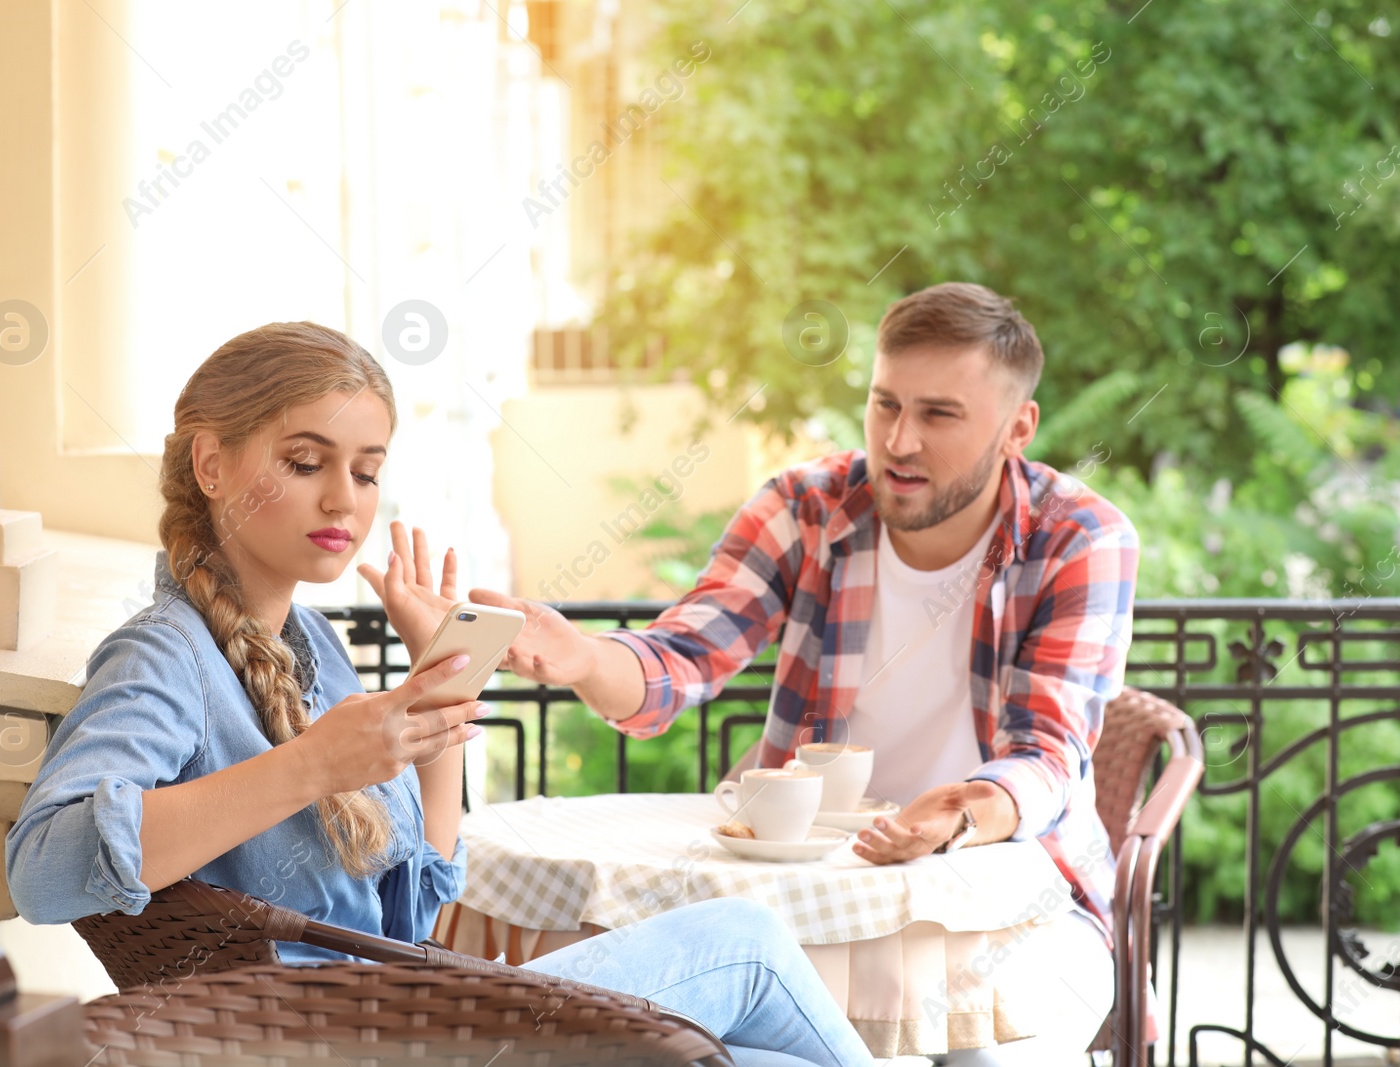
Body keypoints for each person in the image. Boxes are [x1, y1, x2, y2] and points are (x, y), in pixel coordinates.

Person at [4, 321, 874, 1067]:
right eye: (306, 460)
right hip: (357, 1044)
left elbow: (413, 908)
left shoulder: (314, 651)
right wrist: (310, 765)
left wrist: (442, 697)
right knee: (747, 942)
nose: (344, 497)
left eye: (367, 470)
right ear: (212, 464)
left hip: (403, 1020)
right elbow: (42, 869)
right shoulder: (165, 656)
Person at [472, 283, 1135, 1064]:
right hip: (819, 911)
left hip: (1022, 914)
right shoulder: (808, 506)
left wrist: (957, 813)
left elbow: (1050, 751)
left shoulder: (1078, 538)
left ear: (1017, 427)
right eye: (885, 404)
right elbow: (684, 654)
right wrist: (584, 657)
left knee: (991, 1056)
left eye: (938, 414)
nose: (900, 440)